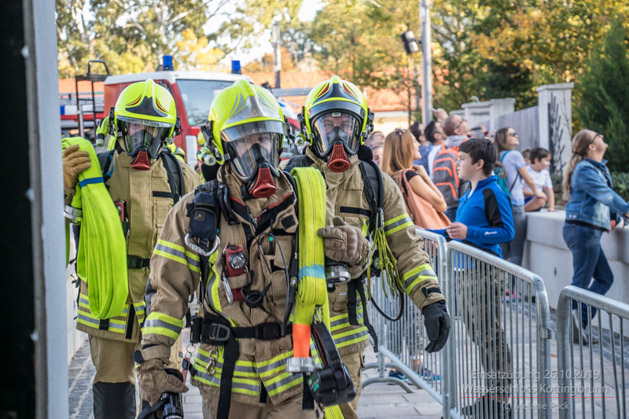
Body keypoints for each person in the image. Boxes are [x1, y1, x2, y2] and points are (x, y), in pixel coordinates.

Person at [137, 80, 369, 418]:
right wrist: (156, 366)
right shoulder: (195, 214)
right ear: (222, 147)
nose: (257, 151)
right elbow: (165, 295)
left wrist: (355, 250)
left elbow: (353, 267)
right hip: (228, 381)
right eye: (245, 140)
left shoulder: (307, 200)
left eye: (263, 139)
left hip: (297, 371)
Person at [286, 75, 451, 419]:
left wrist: (431, 300)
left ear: (359, 129)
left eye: (344, 125)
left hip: (348, 328)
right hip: (295, 326)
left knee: (342, 413)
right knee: (297, 411)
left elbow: (407, 248)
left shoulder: (377, 183)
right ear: (309, 129)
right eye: (326, 126)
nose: (335, 136)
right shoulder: (288, 179)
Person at [62, 79, 202, 418]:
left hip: (161, 305)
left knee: (162, 395)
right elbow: (50, 225)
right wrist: (60, 186)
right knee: (111, 396)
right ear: (119, 126)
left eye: (153, 130)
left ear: (167, 134)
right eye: (136, 126)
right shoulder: (95, 170)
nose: (144, 137)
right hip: (107, 304)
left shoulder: (181, 176)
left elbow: (203, 242)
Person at [429, 138, 515, 417]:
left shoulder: (493, 192)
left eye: (462, 158)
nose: (457, 163)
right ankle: (492, 396)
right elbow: (458, 231)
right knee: (481, 337)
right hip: (467, 273)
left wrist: (470, 234)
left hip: (484, 273)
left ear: (479, 164)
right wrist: (427, 233)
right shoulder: (469, 191)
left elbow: (506, 232)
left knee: (490, 336)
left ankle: (500, 401)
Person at [562, 129, 629, 344]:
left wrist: (613, 217)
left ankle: (577, 321)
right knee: (581, 281)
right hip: (583, 230)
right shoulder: (585, 169)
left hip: (586, 229)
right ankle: (570, 324)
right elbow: (604, 193)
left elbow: (601, 196)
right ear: (591, 146)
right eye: (598, 135)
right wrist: (626, 209)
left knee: (604, 278)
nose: (602, 136)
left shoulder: (597, 168)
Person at [494, 127, 545, 266]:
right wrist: (537, 192)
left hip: (501, 204)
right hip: (515, 203)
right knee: (516, 250)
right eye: (512, 134)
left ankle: (499, 285)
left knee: (503, 248)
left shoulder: (498, 155)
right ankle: (512, 287)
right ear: (504, 139)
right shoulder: (515, 155)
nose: (516, 135)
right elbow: (528, 179)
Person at [382, 128, 447, 220]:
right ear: (405, 148)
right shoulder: (409, 176)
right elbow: (441, 205)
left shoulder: (387, 177)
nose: (419, 144)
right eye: (414, 142)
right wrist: (425, 177)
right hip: (421, 231)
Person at [432, 116, 469, 222]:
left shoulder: (441, 149)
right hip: (464, 204)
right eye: (462, 121)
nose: (465, 120)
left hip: (447, 204)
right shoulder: (468, 147)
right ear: (458, 131)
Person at [523, 147, 555, 212]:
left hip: (537, 200)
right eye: (546, 160)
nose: (549, 163)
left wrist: (551, 207)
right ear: (537, 160)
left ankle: (523, 210)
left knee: (541, 199)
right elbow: (520, 189)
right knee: (541, 198)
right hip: (524, 200)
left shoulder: (545, 173)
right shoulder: (525, 171)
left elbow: (549, 190)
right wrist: (535, 193)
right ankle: (521, 210)